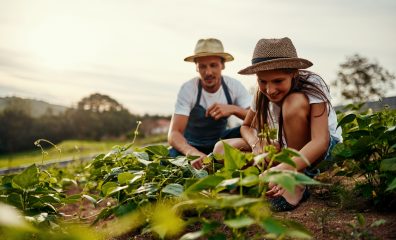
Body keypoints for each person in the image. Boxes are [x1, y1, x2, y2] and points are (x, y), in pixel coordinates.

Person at [213, 37, 342, 211]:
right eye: (262, 81)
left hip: (318, 149)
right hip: (283, 146)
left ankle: (295, 178)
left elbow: (320, 141)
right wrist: (255, 144)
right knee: (221, 149)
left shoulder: (312, 84)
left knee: (293, 102)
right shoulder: (261, 94)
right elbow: (246, 126)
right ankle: (269, 175)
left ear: (294, 73)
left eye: (278, 81)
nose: (270, 90)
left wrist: (284, 166)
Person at [168, 38, 251, 169]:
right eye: (202, 66)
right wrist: (192, 153)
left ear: (222, 65)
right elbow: (174, 133)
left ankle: (251, 157)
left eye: (213, 65)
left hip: (220, 140)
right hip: (191, 143)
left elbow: (257, 118)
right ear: (196, 67)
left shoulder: (234, 86)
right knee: (169, 161)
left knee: (247, 129)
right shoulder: (188, 89)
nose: (208, 72)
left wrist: (234, 109)